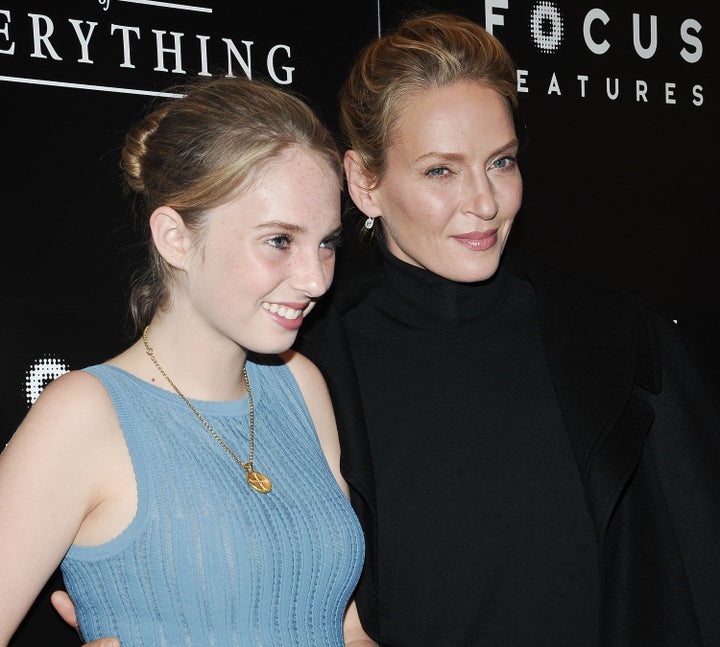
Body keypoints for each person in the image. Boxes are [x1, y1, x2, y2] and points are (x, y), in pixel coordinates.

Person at [53, 11, 720, 647]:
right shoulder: (294, 364)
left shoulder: (621, 345)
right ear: (364, 183)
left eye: (502, 161)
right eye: (440, 170)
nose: (484, 201)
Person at [0, 75, 376, 646]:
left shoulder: (302, 385)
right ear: (175, 238)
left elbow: (343, 629)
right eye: (279, 240)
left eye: (326, 242)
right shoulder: (84, 415)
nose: (316, 278)